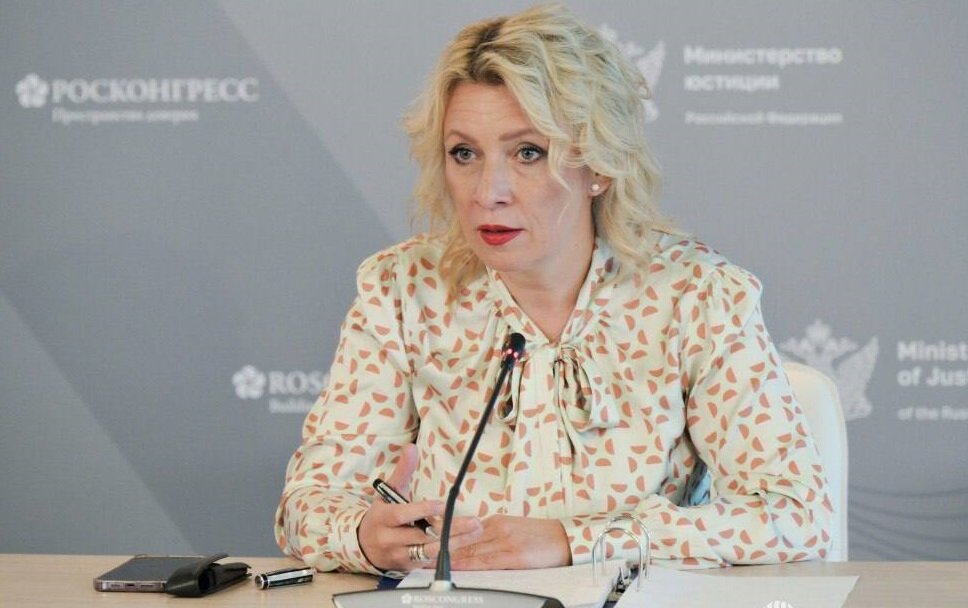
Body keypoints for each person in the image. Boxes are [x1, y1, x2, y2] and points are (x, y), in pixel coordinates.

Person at [275, 4, 832, 575]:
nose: (487, 191)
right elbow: (305, 507)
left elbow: (797, 515)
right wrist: (362, 536)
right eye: (464, 154)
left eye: (528, 153)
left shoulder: (697, 295)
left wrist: (576, 541)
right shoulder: (402, 289)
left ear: (600, 165)